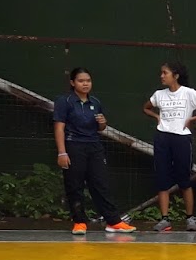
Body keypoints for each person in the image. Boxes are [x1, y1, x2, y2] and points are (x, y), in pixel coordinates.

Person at [53, 67, 135, 234]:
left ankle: (113, 221)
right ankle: (79, 222)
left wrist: (102, 123)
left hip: (94, 146)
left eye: (88, 81)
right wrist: (62, 152)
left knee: (101, 183)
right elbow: (59, 127)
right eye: (81, 81)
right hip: (74, 145)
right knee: (75, 184)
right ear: (72, 83)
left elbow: (100, 128)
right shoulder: (65, 101)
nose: (85, 84)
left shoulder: (95, 102)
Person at [142, 60, 196, 232]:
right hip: (162, 138)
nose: (162, 76)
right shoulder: (159, 95)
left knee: (184, 179)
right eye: (161, 73)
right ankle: (164, 219)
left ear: (175, 76)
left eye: (165, 73)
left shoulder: (189, 93)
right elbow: (146, 108)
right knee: (162, 179)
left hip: (182, 139)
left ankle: (189, 218)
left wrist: (192, 119)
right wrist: (156, 117)